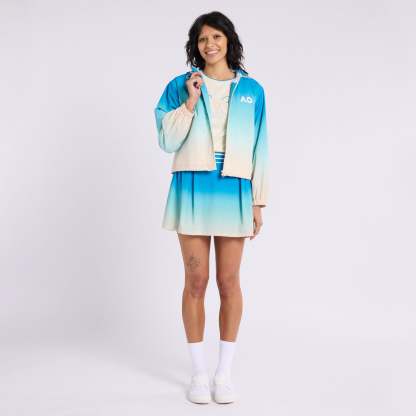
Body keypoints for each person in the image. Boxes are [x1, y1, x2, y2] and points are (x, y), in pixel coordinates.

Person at [154, 11, 269, 404]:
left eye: (217, 37)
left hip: (235, 187)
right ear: (196, 45)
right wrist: (190, 101)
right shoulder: (180, 85)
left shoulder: (252, 90)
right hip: (192, 185)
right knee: (196, 281)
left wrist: (258, 201)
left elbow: (261, 147)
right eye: (203, 39)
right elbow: (166, 140)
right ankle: (199, 373)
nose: (210, 44)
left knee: (229, 282)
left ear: (228, 40)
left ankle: (224, 373)